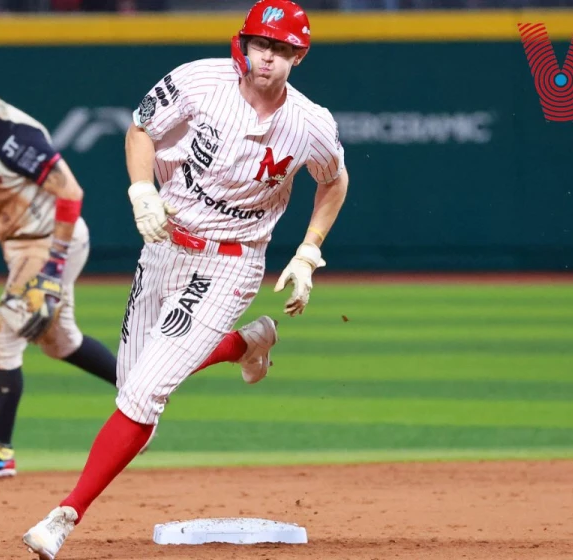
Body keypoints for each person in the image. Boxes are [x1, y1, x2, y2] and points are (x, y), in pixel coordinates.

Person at [22, 0, 349, 556]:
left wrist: (307, 251)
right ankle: (247, 342)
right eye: (260, 44)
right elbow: (140, 131)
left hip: (231, 261)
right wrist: (141, 189)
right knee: (134, 390)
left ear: (299, 56)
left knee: (146, 394)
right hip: (165, 247)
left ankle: (63, 516)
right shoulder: (198, 81)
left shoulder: (310, 123)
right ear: (243, 43)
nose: (267, 57)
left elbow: (334, 181)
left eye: (281, 49)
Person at [0, 52, 119, 479]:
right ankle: (141, 394)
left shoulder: (9, 134)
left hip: (49, 243)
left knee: (1, 341)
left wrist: (52, 267)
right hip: (24, 244)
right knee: (60, 342)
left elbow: (71, 191)